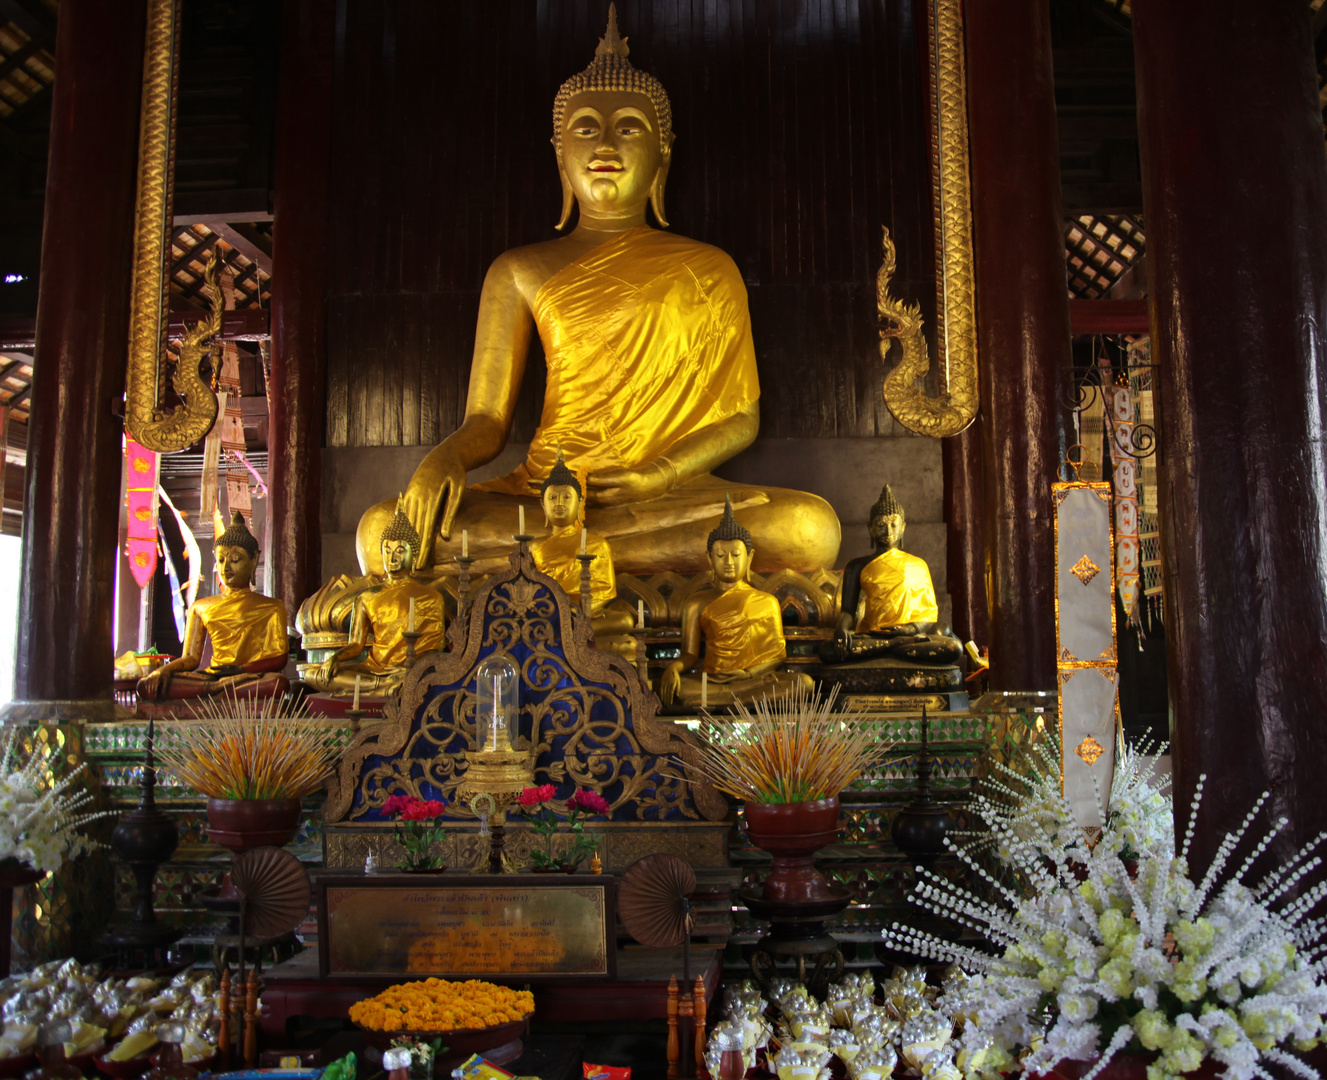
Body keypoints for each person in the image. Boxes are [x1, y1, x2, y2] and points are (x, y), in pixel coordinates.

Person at [355, 8, 839, 578]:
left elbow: (740, 420)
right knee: (383, 530)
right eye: (585, 127)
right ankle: (589, 562)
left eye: (629, 126)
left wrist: (655, 476)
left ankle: (554, 569)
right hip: (547, 497)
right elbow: (486, 418)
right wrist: (443, 459)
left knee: (808, 528)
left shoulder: (709, 268)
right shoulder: (518, 270)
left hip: (668, 494)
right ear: (560, 153)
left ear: (663, 152)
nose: (605, 141)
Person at [658, 496, 812, 711]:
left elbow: (778, 655)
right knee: (670, 688)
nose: (728, 562)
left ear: (749, 558)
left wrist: (747, 674)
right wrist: (673, 667)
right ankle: (734, 701)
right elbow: (690, 655)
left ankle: (723, 701)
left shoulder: (766, 601)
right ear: (710, 559)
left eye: (736, 555)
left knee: (803, 683)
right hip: (711, 681)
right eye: (720, 555)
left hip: (753, 680)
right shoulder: (696, 603)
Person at [138, 513, 288, 701]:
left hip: (248, 678)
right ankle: (217, 687)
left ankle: (215, 690)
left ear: (253, 561)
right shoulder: (201, 607)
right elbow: (191, 659)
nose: (226, 568)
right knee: (147, 686)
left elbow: (280, 659)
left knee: (278, 684)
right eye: (222, 560)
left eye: (235, 560)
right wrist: (162, 671)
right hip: (213, 676)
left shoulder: (272, 607)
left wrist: (240, 670)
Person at [306, 505, 446, 696]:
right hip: (373, 669)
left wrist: (412, 666)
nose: (392, 558)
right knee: (313, 675)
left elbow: (435, 650)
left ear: (414, 555)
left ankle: (378, 687)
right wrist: (335, 658)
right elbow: (356, 646)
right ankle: (385, 687)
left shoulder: (431, 597)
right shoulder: (366, 596)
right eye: (387, 550)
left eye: (400, 551)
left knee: (424, 676)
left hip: (409, 670)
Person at [820, 485, 962, 665]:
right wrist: (841, 630)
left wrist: (910, 630)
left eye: (894, 524)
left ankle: (893, 644)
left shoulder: (917, 564)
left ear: (903, 527)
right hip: (872, 636)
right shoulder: (857, 566)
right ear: (869, 528)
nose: (888, 530)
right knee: (827, 650)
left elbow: (926, 614)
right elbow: (848, 610)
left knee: (953, 647)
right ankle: (895, 645)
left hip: (909, 637)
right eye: (880, 524)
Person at [529, 453, 634, 638]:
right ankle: (567, 632)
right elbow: (524, 587)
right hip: (545, 612)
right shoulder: (532, 546)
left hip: (582, 614)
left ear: (579, 504)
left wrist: (577, 611)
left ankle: (567, 632)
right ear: (542, 505)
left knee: (625, 621)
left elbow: (604, 591)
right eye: (552, 498)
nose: (559, 503)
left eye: (566, 497)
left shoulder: (596, 544)